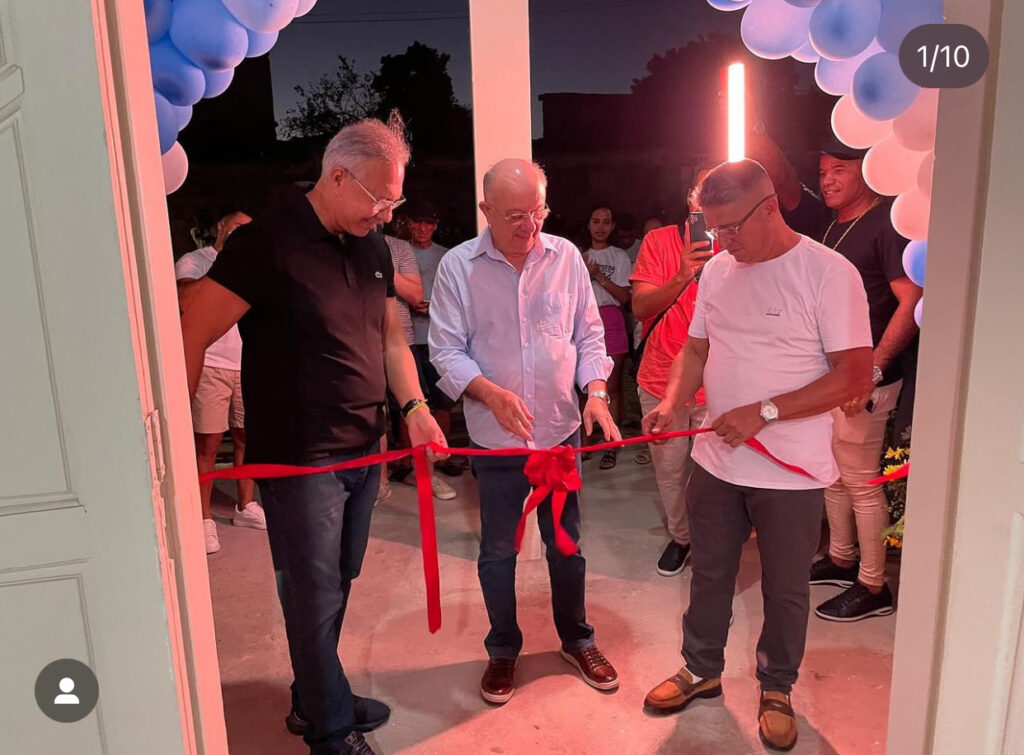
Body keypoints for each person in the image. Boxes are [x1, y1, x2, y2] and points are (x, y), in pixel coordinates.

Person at [179, 114, 447, 755]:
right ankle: (329, 728)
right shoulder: (266, 243)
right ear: (338, 176)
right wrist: (174, 441)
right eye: (380, 200)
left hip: (365, 447)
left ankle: (313, 695)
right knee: (313, 590)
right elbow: (192, 328)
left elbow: (389, 339)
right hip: (300, 461)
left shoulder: (372, 248)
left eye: (395, 202)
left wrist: (413, 407)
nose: (387, 215)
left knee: (339, 580)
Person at [642, 160, 873, 751]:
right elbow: (696, 349)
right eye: (712, 228)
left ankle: (776, 687)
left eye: (732, 227)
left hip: (791, 473)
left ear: (770, 206)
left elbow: (852, 376)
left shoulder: (828, 274)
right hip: (716, 460)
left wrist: (764, 411)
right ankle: (700, 668)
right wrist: (672, 401)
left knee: (785, 587)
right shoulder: (718, 270)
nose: (722, 241)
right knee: (709, 572)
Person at [429, 158, 621, 705]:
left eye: (537, 211)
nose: (529, 226)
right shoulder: (458, 268)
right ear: (485, 210)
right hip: (496, 443)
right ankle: (503, 647)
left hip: (558, 435)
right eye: (514, 215)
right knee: (498, 550)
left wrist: (597, 392)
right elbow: (445, 350)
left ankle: (577, 638)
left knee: (565, 544)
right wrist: (489, 394)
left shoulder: (566, 259)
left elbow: (588, 335)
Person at [809, 141, 921, 621]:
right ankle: (841, 559)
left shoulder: (885, 224)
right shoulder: (836, 225)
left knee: (859, 479)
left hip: (867, 378)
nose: (827, 180)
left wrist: (872, 369)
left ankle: (874, 586)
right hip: (835, 376)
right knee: (834, 473)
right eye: (822, 172)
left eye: (839, 169)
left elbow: (911, 300)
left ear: (866, 170)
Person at [629, 178, 714, 576]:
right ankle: (681, 538)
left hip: (719, 382)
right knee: (669, 471)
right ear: (690, 198)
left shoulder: (738, 245)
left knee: (716, 474)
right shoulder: (659, 241)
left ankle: (713, 540)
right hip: (660, 379)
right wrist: (682, 274)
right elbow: (641, 306)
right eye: (704, 193)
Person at [174, 209, 262, 555]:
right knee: (207, 445)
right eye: (236, 227)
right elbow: (184, 300)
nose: (241, 235)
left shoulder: (254, 266)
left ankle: (245, 506)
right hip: (210, 362)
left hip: (246, 364)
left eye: (247, 230)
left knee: (247, 439)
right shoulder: (195, 261)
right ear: (222, 227)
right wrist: (225, 266)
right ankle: (204, 518)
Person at [378, 233, 457, 502]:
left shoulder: (398, 247)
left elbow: (415, 294)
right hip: (362, 342)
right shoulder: (345, 244)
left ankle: (424, 472)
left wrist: (383, 264)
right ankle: (379, 481)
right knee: (375, 413)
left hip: (402, 340)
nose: (383, 213)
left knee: (415, 406)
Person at [407, 200, 463, 478]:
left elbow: (458, 294)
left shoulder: (446, 256)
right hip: (407, 337)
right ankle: (411, 462)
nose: (422, 227)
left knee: (443, 400)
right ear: (410, 224)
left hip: (438, 338)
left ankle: (442, 456)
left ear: (435, 226)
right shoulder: (401, 253)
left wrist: (434, 308)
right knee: (412, 401)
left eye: (428, 223)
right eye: (418, 222)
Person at [581, 205, 632, 469]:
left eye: (606, 222)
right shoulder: (578, 256)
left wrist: (598, 276)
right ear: (588, 224)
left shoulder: (619, 256)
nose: (600, 226)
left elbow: (624, 297)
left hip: (611, 320)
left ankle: (611, 444)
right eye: (596, 221)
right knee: (583, 385)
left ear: (612, 227)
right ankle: (585, 441)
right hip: (583, 321)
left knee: (611, 386)